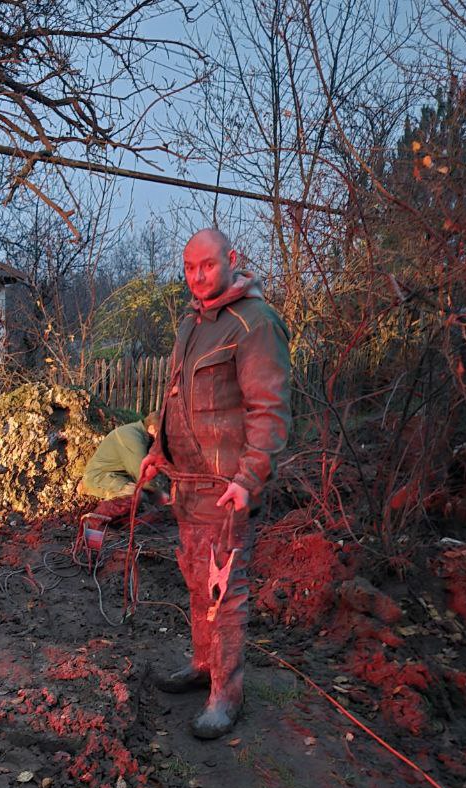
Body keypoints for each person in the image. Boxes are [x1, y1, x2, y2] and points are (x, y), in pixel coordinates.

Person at [140, 228, 291, 739]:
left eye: (206, 265)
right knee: (194, 579)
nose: (197, 276)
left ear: (231, 259)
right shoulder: (192, 320)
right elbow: (176, 396)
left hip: (226, 491)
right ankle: (204, 665)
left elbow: (269, 412)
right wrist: (158, 452)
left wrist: (250, 479)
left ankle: (227, 693)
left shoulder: (255, 324)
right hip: (189, 487)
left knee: (225, 592)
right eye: (188, 268)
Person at [79, 411, 166, 502]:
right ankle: (99, 514)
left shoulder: (143, 436)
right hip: (99, 477)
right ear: (151, 429)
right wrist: (160, 494)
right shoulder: (132, 438)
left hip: (117, 476)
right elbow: (142, 477)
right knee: (137, 496)